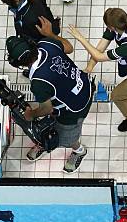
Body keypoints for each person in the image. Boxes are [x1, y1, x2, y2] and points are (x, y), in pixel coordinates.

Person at [5, 17, 94, 172]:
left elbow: (47, 109)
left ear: (18, 64)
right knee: (49, 121)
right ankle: (44, 141)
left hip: (75, 108)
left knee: (68, 138)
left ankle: (79, 150)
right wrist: (51, 34)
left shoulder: (39, 81)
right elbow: (68, 47)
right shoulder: (46, 44)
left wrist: (30, 114)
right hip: (85, 86)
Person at [67, 8, 127, 132]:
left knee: (117, 95)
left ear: (111, 26)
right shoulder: (122, 26)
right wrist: (89, 67)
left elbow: (99, 56)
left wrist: (80, 38)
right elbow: (100, 48)